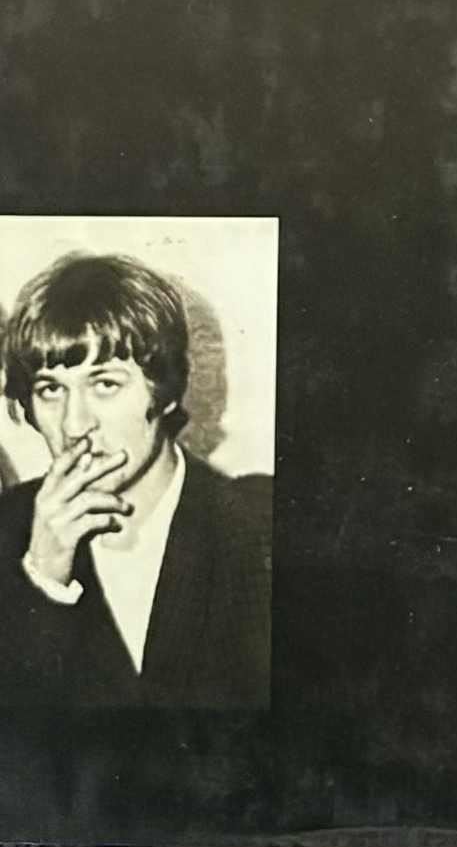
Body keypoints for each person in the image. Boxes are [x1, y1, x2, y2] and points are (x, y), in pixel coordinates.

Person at [0, 250, 271, 709]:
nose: (74, 425)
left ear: (165, 391)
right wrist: (41, 583)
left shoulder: (258, 527)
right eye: (51, 389)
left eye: (105, 384)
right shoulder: (9, 529)